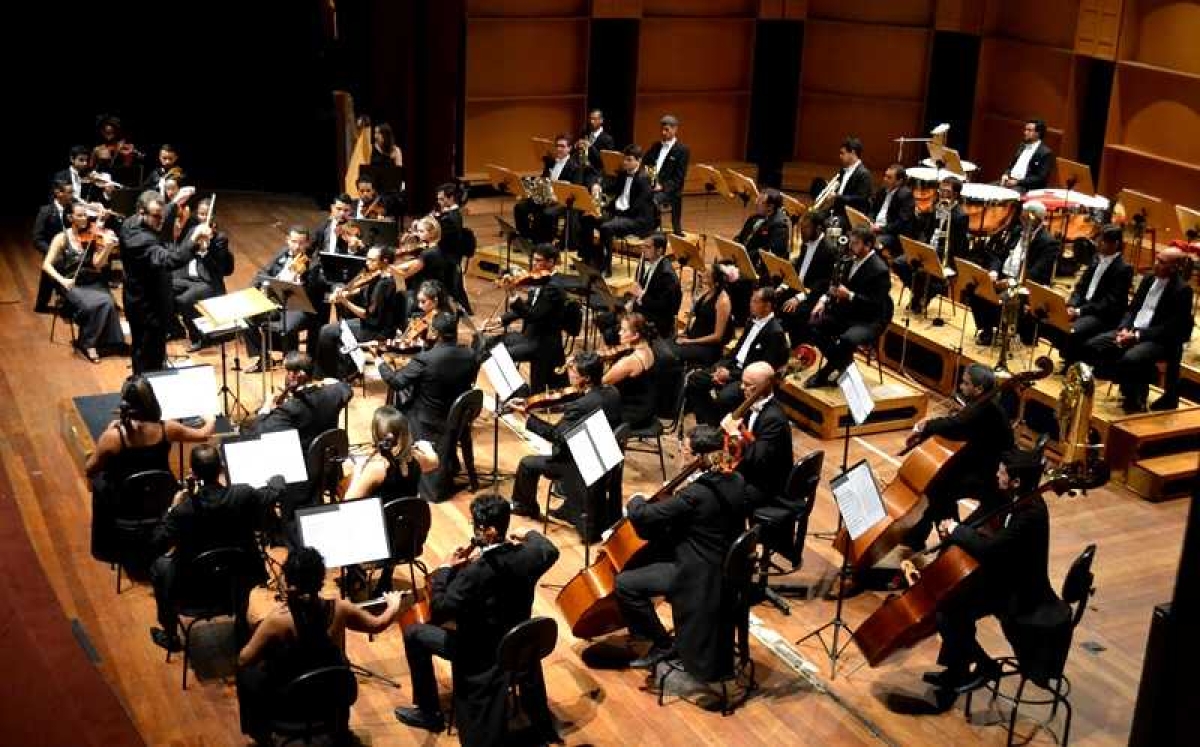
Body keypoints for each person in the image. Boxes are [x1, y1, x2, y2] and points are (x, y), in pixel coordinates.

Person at [395, 495, 560, 746]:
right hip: (516, 645)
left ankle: (429, 712)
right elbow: (550, 549)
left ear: (490, 532)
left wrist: (444, 570)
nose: (474, 531)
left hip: (479, 654)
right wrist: (528, 533)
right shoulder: (528, 557)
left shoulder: (476, 574)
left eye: (477, 527)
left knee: (414, 633)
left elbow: (439, 611)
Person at [919, 448, 1063, 711]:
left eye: (1002, 472)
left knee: (949, 612)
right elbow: (992, 533)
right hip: (1005, 578)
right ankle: (957, 672)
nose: (997, 474)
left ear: (1016, 481)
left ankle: (979, 667)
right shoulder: (1019, 498)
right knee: (952, 604)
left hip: (1021, 595)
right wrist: (958, 533)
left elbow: (991, 549)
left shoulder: (1031, 514)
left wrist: (956, 530)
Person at [615, 424, 748, 678]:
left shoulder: (696, 494)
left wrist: (636, 499)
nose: (681, 453)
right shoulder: (736, 479)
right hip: (723, 563)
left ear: (699, 457)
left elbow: (644, 515)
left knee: (625, 584)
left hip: (696, 572)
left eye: (684, 449)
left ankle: (663, 644)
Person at [237, 547, 404, 745]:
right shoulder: (340, 608)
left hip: (292, 700)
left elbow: (244, 659)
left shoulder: (277, 621)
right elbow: (378, 625)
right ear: (320, 578)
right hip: (333, 693)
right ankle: (340, 729)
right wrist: (393, 605)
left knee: (246, 675)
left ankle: (262, 736)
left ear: (289, 580)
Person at [148, 445, 285, 652]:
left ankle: (171, 636)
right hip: (236, 583)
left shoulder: (183, 511)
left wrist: (173, 506)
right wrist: (276, 479)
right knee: (240, 565)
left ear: (192, 474)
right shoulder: (243, 495)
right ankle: (241, 624)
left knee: (159, 566)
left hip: (194, 589)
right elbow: (275, 492)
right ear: (221, 468)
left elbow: (157, 542)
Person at [86, 376, 215, 568]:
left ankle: (107, 546)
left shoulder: (113, 437)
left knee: (97, 481)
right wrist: (211, 418)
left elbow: (89, 468)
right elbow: (204, 434)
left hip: (126, 505)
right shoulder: (168, 428)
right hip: (161, 500)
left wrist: (108, 433)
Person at [900, 364, 1014, 551]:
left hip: (992, 476)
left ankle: (947, 540)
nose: (960, 387)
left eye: (965, 383)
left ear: (979, 389)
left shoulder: (985, 409)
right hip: (980, 460)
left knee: (940, 490)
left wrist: (924, 427)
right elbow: (960, 423)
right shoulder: (986, 404)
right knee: (938, 485)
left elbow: (955, 426)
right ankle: (925, 538)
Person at [508, 351, 622, 526]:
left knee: (527, 464)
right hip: (605, 456)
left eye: (574, 372)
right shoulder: (612, 391)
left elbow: (557, 436)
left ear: (587, 379)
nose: (569, 374)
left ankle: (524, 506)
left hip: (578, 464)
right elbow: (579, 404)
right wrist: (535, 404)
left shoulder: (581, 406)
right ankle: (568, 507)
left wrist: (528, 418)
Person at [1079, 248, 1194, 412]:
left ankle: (1135, 398)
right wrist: (1124, 328)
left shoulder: (1182, 290)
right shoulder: (1148, 279)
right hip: (1132, 330)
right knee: (1093, 345)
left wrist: (1138, 336)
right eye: (1156, 259)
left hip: (1158, 340)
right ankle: (1128, 387)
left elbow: (1170, 327)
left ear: (1174, 268)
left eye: (1161, 262)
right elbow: (1132, 309)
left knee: (1131, 358)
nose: (1155, 264)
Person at [341, 407, 439, 593]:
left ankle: (355, 572)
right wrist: (428, 447)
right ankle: (386, 577)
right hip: (408, 539)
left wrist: (359, 470)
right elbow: (434, 461)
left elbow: (348, 500)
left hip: (378, 543)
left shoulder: (377, 468)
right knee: (396, 517)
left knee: (345, 519)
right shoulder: (417, 459)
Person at [121, 188, 208, 373]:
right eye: (156, 217)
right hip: (147, 309)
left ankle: (147, 392)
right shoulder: (139, 239)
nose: (161, 221)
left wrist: (175, 202)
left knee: (150, 355)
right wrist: (193, 239)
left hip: (145, 302)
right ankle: (143, 396)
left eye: (162, 216)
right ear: (141, 212)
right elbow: (170, 260)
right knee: (147, 359)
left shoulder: (132, 222)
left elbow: (162, 211)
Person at [686, 286, 789, 425]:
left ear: (767, 306)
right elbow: (736, 350)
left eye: (755, 301)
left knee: (725, 397)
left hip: (746, 378)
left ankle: (715, 425)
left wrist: (730, 375)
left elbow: (763, 371)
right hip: (732, 366)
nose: (750, 304)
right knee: (695, 380)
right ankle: (707, 422)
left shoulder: (775, 333)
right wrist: (720, 367)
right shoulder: (751, 321)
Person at [805, 227, 894, 388]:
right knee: (814, 323)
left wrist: (850, 295)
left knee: (847, 339)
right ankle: (844, 363)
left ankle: (825, 373)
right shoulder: (849, 259)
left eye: (856, 243)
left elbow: (875, 304)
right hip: (848, 312)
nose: (851, 246)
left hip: (869, 319)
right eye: (851, 242)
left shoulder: (880, 270)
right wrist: (823, 300)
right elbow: (835, 284)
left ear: (868, 245)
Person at [378, 311, 479, 445]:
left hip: (427, 420)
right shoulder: (470, 355)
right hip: (456, 418)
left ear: (435, 333)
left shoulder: (426, 359)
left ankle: (398, 450)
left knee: (394, 404)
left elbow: (396, 382)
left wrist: (379, 362)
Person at [968, 201, 1060, 347]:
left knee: (1005, 297)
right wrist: (993, 271)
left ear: (1037, 219)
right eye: (1022, 217)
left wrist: (1011, 282)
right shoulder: (1017, 231)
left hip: (1025, 286)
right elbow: (999, 255)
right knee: (974, 287)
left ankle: (1003, 331)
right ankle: (987, 329)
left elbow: (1037, 273)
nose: (1022, 220)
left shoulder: (1049, 243)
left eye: (1025, 218)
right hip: (1003, 277)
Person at [41, 202, 123, 362]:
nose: (85, 218)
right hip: (71, 284)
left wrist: (107, 248)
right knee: (94, 305)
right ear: (71, 218)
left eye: (86, 215)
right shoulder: (61, 238)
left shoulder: (91, 237)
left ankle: (98, 340)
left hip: (92, 281)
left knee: (108, 302)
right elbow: (46, 265)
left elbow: (97, 264)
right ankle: (87, 344)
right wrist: (62, 280)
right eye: (80, 215)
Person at [484, 244, 569, 393]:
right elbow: (528, 305)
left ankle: (519, 393)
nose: (534, 264)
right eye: (533, 260)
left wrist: (512, 294)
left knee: (497, 358)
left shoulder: (554, 288)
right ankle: (517, 392)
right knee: (488, 344)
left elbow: (532, 315)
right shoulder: (541, 280)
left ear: (551, 262)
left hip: (542, 344)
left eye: (538, 260)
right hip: (529, 337)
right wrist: (500, 321)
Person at [314, 244, 402, 380]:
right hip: (371, 323)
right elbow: (362, 289)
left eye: (372, 260)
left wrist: (344, 301)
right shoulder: (379, 275)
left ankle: (333, 376)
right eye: (367, 259)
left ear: (384, 261)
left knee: (327, 331)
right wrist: (344, 292)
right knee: (329, 330)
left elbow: (367, 315)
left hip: (376, 330)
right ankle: (341, 371)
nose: (367, 263)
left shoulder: (385, 285)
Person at [243, 226, 325, 372]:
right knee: (247, 318)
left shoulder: (313, 263)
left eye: (301, 243)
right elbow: (265, 271)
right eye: (294, 242)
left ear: (307, 244)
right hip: (276, 301)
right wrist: (252, 289)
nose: (297, 246)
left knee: (286, 328)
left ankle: (292, 364)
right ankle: (264, 358)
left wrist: (303, 277)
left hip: (299, 307)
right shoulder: (282, 253)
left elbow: (314, 292)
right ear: (288, 240)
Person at [245, 352, 354, 454]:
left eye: (288, 372)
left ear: (299, 375)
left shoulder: (289, 410)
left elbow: (257, 431)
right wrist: (326, 383)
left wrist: (266, 406)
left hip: (303, 467)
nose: (286, 376)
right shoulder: (332, 394)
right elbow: (346, 389)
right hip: (330, 465)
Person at [720, 362, 793, 509]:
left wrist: (734, 433)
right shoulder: (751, 404)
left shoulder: (774, 419)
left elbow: (758, 459)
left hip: (766, 484)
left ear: (761, 388)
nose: (741, 387)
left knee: (717, 498)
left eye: (747, 384)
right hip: (752, 471)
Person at [1058, 225, 1132, 367]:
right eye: (1099, 239)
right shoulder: (1096, 259)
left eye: (1103, 241)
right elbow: (1081, 287)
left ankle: (1073, 364)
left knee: (1074, 330)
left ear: (1115, 244)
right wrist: (1072, 305)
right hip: (1084, 307)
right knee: (1055, 320)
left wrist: (1080, 311)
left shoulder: (1124, 269)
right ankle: (1069, 357)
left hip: (1103, 315)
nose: (1098, 243)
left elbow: (1109, 302)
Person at [897, 176, 969, 314]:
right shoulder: (937, 207)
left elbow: (958, 246)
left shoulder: (960, 216)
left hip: (945, 258)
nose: (942, 193)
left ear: (955, 194)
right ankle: (921, 294)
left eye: (946, 191)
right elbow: (927, 231)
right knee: (899, 263)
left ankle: (922, 296)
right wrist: (921, 245)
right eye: (941, 190)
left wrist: (938, 253)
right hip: (928, 251)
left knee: (923, 272)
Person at [171, 197, 235, 351]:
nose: (203, 218)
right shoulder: (193, 230)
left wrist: (206, 251)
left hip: (207, 282)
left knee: (183, 300)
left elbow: (219, 268)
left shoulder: (219, 238)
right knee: (163, 288)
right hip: (187, 278)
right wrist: (193, 241)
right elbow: (183, 251)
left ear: (213, 216)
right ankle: (175, 329)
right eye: (200, 214)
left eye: (207, 215)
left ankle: (199, 336)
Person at [596, 233, 680, 346]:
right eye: (643, 246)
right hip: (640, 308)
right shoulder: (646, 263)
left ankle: (623, 353)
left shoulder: (667, 275)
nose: (643, 250)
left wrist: (641, 295)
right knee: (602, 319)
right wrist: (631, 303)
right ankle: (622, 348)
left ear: (659, 251)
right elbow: (639, 290)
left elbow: (665, 307)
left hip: (655, 319)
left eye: (648, 247)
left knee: (610, 334)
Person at [585, 145, 656, 275]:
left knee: (606, 227)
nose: (625, 162)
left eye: (629, 160)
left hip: (635, 219)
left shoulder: (644, 178)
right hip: (618, 213)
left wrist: (616, 216)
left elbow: (638, 206)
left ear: (638, 161)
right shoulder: (623, 174)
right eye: (624, 159)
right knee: (588, 218)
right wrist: (597, 185)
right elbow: (611, 187)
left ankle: (606, 267)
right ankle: (590, 258)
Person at [514, 133, 592, 244]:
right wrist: (533, 187)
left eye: (562, 146)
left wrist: (555, 198)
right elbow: (544, 179)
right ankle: (526, 239)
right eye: (557, 146)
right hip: (546, 197)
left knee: (546, 213)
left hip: (562, 201)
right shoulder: (550, 162)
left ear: (569, 148)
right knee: (520, 207)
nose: (559, 149)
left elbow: (575, 189)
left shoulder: (576, 166)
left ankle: (544, 244)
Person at [776, 210, 838, 347]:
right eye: (801, 227)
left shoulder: (829, 250)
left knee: (795, 312)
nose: (801, 232)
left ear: (818, 228)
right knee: (771, 296)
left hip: (813, 294)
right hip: (799, 287)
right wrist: (784, 286)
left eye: (806, 228)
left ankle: (799, 348)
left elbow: (823, 283)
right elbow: (798, 270)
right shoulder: (806, 243)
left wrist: (798, 298)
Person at [672, 261, 734, 366]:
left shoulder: (723, 301)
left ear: (715, 280)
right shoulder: (708, 291)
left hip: (707, 347)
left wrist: (689, 342)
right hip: (694, 339)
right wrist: (685, 333)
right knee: (665, 345)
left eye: (707, 273)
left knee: (672, 354)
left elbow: (717, 336)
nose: (702, 274)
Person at [603, 312, 658, 430]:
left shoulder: (630, 361)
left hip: (633, 413)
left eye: (623, 330)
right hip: (646, 407)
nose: (619, 333)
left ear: (635, 335)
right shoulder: (647, 347)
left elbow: (603, 382)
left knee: (591, 413)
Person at [643, 114, 690, 235]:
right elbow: (645, 162)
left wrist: (662, 186)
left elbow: (679, 178)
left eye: (667, 130)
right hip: (653, 185)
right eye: (662, 129)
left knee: (650, 200)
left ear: (675, 130)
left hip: (669, 190)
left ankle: (653, 229)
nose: (663, 133)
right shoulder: (656, 146)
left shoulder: (682, 150)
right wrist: (648, 176)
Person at [734, 188, 790, 269]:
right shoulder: (754, 217)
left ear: (770, 207)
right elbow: (741, 236)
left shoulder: (780, 226)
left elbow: (767, 254)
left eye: (760, 201)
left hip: (757, 267)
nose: (756, 202)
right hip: (742, 258)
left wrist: (743, 256)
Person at [870, 163, 917, 260]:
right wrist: (870, 221)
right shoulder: (882, 190)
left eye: (889, 177)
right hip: (876, 227)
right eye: (885, 176)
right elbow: (873, 210)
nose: (885, 179)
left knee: (872, 243)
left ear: (899, 181)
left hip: (893, 234)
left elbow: (900, 223)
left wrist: (880, 229)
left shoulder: (906, 196)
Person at [1000, 119, 1055, 193]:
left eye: (1029, 130)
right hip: (1009, 181)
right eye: (1025, 129)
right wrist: (1006, 174)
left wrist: (1017, 182)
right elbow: (1011, 165)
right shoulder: (1022, 146)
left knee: (1004, 196)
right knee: (987, 189)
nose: (1025, 132)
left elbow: (1040, 178)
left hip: (1024, 187)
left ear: (1038, 133)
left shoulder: (1045, 153)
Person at [831, 136, 873, 221]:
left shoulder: (864, 174)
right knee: (814, 215)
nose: (840, 156)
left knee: (829, 223)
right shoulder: (843, 170)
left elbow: (861, 198)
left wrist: (838, 197)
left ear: (853, 153)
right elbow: (838, 188)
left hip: (850, 215)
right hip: (838, 210)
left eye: (843, 153)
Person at [312, 194, 365, 259]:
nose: (342, 213)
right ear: (332, 208)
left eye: (346, 210)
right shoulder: (323, 227)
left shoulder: (356, 230)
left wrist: (352, 250)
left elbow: (360, 256)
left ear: (350, 211)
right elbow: (313, 247)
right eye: (338, 209)